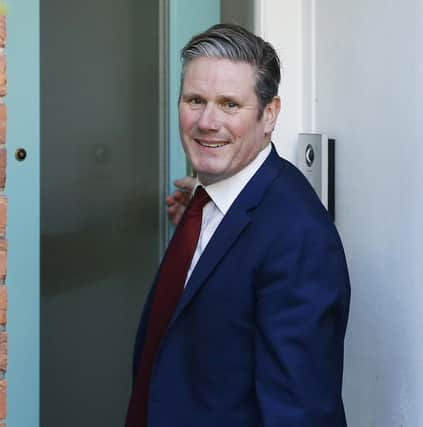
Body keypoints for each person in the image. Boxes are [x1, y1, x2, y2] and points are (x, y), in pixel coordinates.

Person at [125, 23, 350, 427]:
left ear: (269, 115)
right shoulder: (213, 203)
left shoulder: (299, 237)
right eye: (195, 100)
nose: (207, 122)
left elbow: (299, 413)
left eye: (230, 104)